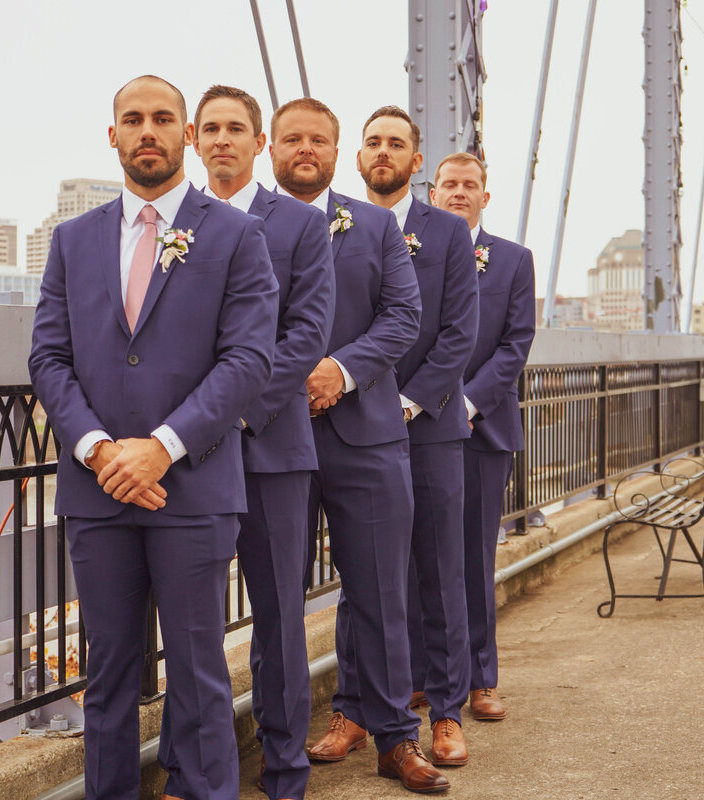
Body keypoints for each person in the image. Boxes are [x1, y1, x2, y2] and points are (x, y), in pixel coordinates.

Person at [28, 74, 278, 800]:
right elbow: (48, 356)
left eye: (163, 118)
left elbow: (249, 359)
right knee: (104, 676)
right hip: (98, 492)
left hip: (193, 488)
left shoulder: (237, 235)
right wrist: (101, 450)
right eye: (132, 119)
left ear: (188, 136)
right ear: (113, 135)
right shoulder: (73, 241)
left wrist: (161, 445)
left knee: (199, 672)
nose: (148, 130)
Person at [270, 96, 449, 794]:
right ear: (271, 148)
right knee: (280, 602)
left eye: (318, 139)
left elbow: (403, 317)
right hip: (273, 437)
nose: (304, 149)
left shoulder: (374, 227)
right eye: (292, 139)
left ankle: (395, 739)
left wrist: (337, 371)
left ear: (336, 151)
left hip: (365, 432)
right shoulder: (234, 227)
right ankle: (282, 753)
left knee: (380, 594)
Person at [190, 84, 335, 800]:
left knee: (278, 617)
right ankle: (195, 770)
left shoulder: (300, 225)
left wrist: (232, 413)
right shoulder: (169, 223)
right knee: (192, 627)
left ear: (260, 145)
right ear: (195, 140)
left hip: (271, 447)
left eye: (237, 128)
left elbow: (308, 331)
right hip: (190, 459)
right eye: (211, 128)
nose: (223, 139)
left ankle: (284, 770)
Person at [350, 106, 478, 767]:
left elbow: (459, 331)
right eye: (372, 142)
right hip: (352, 423)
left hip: (425, 425)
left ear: (415, 160)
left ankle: (447, 715)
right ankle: (353, 710)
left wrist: (406, 400)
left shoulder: (448, 233)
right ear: (359, 155)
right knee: (362, 575)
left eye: (395, 143)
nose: (382, 152)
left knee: (438, 572)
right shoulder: (337, 223)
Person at [429, 151, 535, 724]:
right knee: (417, 560)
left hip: (480, 430)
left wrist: (463, 403)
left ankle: (480, 678)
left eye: (470, 185)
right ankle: (428, 676)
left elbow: (515, 346)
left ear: (485, 197)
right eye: (450, 184)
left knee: (472, 559)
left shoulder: (514, 261)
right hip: (415, 427)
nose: (460, 193)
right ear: (434, 190)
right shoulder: (408, 253)